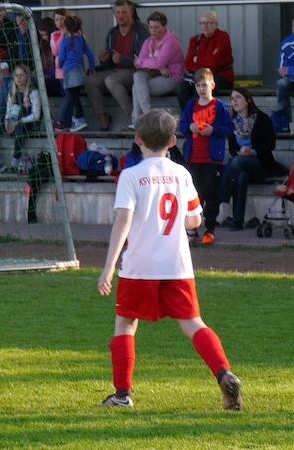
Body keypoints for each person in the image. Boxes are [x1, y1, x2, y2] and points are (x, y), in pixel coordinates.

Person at [97, 109, 242, 411]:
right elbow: (194, 220)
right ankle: (224, 373)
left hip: (139, 267)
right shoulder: (182, 174)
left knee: (125, 324)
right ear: (173, 141)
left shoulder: (131, 176)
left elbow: (123, 222)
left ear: (138, 139)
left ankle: (122, 396)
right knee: (193, 324)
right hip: (177, 265)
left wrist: (108, 268)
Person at [179, 69, 234, 245]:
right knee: (194, 195)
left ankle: (210, 229)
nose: (201, 89)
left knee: (211, 195)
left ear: (212, 85)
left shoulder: (220, 107)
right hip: (193, 157)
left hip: (212, 159)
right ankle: (192, 230)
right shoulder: (191, 106)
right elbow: (182, 126)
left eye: (204, 85)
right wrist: (190, 127)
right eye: (198, 86)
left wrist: (213, 130)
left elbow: (229, 129)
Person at [220, 88, 283, 230]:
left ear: (248, 100)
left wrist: (252, 152)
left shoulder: (262, 118)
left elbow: (270, 144)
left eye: (238, 97)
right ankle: (238, 221)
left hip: (262, 164)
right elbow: (232, 149)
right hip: (242, 166)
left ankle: (222, 196)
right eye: (232, 98)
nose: (234, 101)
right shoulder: (232, 123)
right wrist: (240, 152)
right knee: (241, 176)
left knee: (237, 161)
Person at [84, 0, 149, 131]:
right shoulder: (112, 33)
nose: (120, 16)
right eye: (118, 13)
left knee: (111, 80)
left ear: (131, 13)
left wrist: (122, 59)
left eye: (124, 12)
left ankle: (133, 118)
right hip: (115, 70)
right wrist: (104, 60)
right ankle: (104, 118)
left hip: (136, 71)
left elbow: (143, 60)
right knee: (90, 80)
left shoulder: (141, 30)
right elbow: (110, 63)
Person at [126, 12, 184, 130]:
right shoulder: (149, 41)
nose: (153, 31)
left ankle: (141, 119)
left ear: (164, 27)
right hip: (154, 74)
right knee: (138, 76)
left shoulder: (171, 41)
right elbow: (139, 65)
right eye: (151, 27)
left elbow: (147, 62)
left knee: (136, 87)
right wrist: (157, 65)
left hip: (171, 77)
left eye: (157, 27)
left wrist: (153, 63)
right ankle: (144, 117)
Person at [0, 64, 41, 173]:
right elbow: (8, 111)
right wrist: (7, 121)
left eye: (21, 75)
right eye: (16, 75)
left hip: (29, 122)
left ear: (27, 77)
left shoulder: (33, 92)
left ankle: (14, 163)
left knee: (19, 129)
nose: (18, 78)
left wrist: (20, 121)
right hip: (15, 121)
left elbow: (36, 115)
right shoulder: (12, 93)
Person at [176, 11, 234, 112]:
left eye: (209, 23)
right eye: (202, 23)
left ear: (216, 25)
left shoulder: (223, 37)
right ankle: (188, 118)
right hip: (199, 76)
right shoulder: (195, 40)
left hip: (221, 76)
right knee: (182, 89)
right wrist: (207, 62)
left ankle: (202, 117)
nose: (205, 26)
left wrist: (197, 59)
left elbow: (215, 62)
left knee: (200, 88)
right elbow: (188, 64)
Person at [56, 14, 94, 132]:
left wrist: (59, 66)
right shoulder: (81, 40)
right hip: (80, 71)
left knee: (74, 98)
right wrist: (92, 68)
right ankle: (74, 120)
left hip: (70, 73)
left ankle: (80, 119)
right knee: (75, 96)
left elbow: (61, 58)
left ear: (66, 27)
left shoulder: (65, 41)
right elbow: (90, 54)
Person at [36, 16, 63, 97]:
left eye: (45, 35)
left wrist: (44, 71)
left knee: (38, 80)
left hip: (58, 80)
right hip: (46, 77)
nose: (43, 38)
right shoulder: (44, 46)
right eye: (41, 35)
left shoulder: (59, 45)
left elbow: (59, 69)